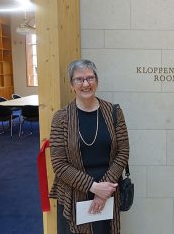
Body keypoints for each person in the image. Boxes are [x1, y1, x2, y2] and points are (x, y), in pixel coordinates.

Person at [49, 59, 129, 234]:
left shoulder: (114, 112)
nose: (86, 83)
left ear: (97, 81)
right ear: (72, 85)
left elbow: (123, 152)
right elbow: (59, 164)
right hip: (73, 193)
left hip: (108, 192)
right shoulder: (61, 118)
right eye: (79, 79)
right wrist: (93, 187)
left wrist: (102, 191)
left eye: (90, 78)